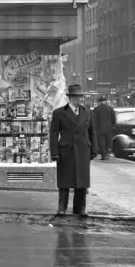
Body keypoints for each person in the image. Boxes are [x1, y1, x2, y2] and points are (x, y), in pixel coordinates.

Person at [49, 84, 98, 217]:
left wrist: (94, 149)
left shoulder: (87, 112)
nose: (81, 99)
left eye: (81, 96)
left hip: (83, 150)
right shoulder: (59, 113)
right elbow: (53, 134)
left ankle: (80, 208)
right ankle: (62, 208)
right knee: (65, 181)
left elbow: (92, 131)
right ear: (70, 98)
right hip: (66, 151)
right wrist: (54, 152)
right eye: (78, 97)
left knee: (82, 182)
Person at [92, 95, 116, 160]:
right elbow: (114, 118)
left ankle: (103, 155)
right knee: (108, 141)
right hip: (108, 128)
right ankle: (107, 153)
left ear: (99, 102)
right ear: (105, 101)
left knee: (101, 142)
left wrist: (94, 128)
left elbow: (93, 119)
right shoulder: (110, 108)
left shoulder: (96, 109)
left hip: (99, 128)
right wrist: (113, 126)